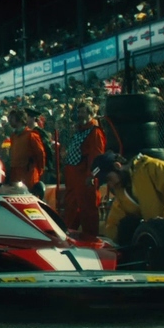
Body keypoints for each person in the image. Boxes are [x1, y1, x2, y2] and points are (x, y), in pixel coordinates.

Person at [92, 151, 164, 244]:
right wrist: (110, 245)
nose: (110, 185)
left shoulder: (153, 167)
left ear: (117, 166)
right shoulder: (123, 191)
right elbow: (114, 221)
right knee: (126, 225)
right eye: (106, 182)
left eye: (109, 178)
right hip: (159, 241)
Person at [61, 99, 106, 235]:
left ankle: (91, 238)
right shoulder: (79, 131)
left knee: (88, 209)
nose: (79, 115)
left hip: (85, 177)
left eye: (82, 112)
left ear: (90, 113)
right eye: (78, 112)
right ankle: (69, 234)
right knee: (71, 208)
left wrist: (92, 176)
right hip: (73, 177)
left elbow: (97, 158)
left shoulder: (95, 132)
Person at [6, 108, 45, 190]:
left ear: (19, 119)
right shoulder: (13, 136)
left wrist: (39, 171)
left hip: (29, 175)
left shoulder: (31, 135)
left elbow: (40, 154)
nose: (9, 120)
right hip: (16, 175)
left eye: (12, 118)